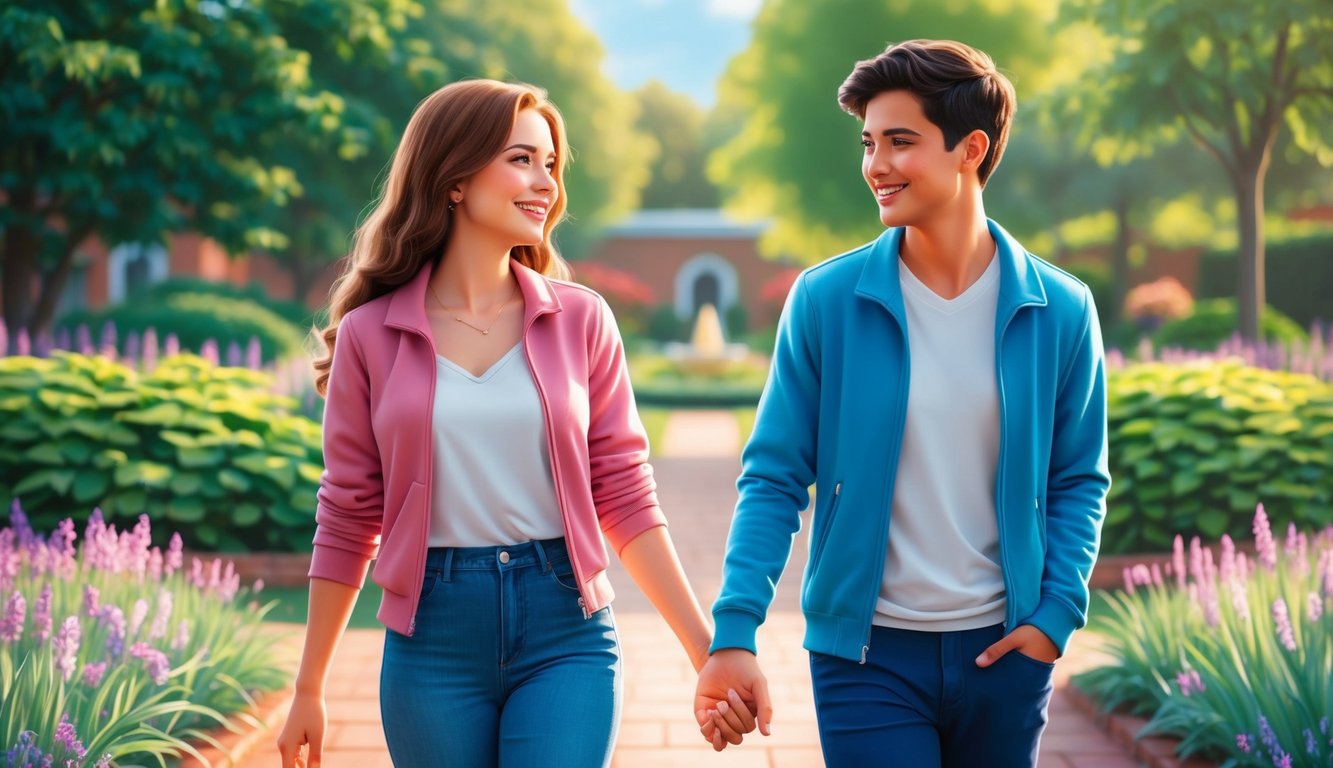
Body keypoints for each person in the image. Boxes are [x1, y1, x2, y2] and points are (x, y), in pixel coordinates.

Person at [275, 79, 729, 768]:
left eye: (550, 164)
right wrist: (309, 686)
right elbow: (347, 514)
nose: (545, 182)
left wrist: (706, 651)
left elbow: (625, 494)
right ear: (454, 179)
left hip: (565, 629)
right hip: (430, 636)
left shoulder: (581, 319)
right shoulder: (370, 334)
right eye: (522, 159)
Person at [692, 39, 1112, 766]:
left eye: (899, 141)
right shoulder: (825, 301)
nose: (875, 165)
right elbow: (772, 479)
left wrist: (1053, 618)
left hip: (1005, 653)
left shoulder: (1061, 310)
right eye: (867, 143)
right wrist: (734, 629)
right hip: (865, 657)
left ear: (969, 149)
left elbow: (1077, 479)